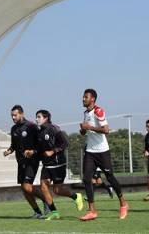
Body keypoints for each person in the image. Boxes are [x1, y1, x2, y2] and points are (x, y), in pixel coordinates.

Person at [79, 89, 128, 221]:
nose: (83, 99)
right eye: (83, 97)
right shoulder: (86, 113)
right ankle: (92, 211)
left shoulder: (99, 111)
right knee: (86, 179)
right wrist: (83, 129)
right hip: (90, 151)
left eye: (85, 97)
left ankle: (123, 203)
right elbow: (86, 132)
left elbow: (106, 130)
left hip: (102, 151)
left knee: (110, 177)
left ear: (93, 99)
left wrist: (89, 127)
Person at [36, 109, 83, 220]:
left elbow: (65, 143)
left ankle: (76, 196)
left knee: (57, 190)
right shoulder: (39, 132)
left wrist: (52, 151)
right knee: (43, 187)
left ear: (46, 118)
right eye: (36, 117)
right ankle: (54, 212)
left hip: (58, 164)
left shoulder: (54, 129)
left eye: (39, 117)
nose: (36, 119)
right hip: (47, 165)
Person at [3, 105, 48, 219]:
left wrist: (33, 151)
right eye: (12, 115)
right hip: (21, 162)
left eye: (15, 115)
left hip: (32, 161)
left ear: (22, 114)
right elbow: (14, 145)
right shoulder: (13, 129)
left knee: (27, 187)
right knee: (24, 189)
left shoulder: (31, 126)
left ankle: (47, 199)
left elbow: (40, 142)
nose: (13, 117)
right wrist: (9, 151)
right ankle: (37, 212)